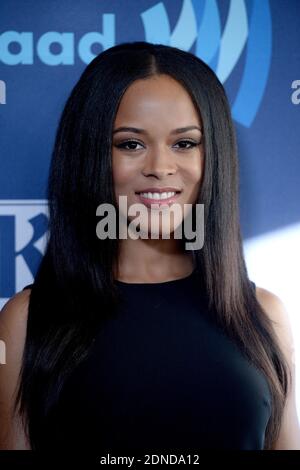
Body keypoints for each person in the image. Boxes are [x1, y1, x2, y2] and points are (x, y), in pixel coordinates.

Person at [0, 41, 299, 453]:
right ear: (90, 155)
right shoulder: (27, 320)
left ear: (214, 157)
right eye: (130, 144)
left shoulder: (266, 317)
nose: (159, 168)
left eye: (185, 143)